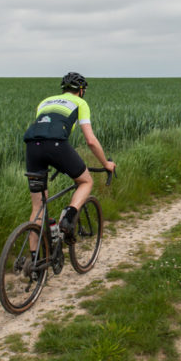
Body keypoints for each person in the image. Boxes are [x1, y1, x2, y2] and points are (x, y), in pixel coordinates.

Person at [23, 72, 115, 243]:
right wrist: (106, 164)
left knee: (38, 206)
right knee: (86, 181)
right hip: (56, 145)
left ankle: (33, 264)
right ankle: (67, 219)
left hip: (31, 147)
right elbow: (90, 141)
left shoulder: (45, 102)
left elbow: (44, 130)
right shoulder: (80, 102)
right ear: (81, 90)